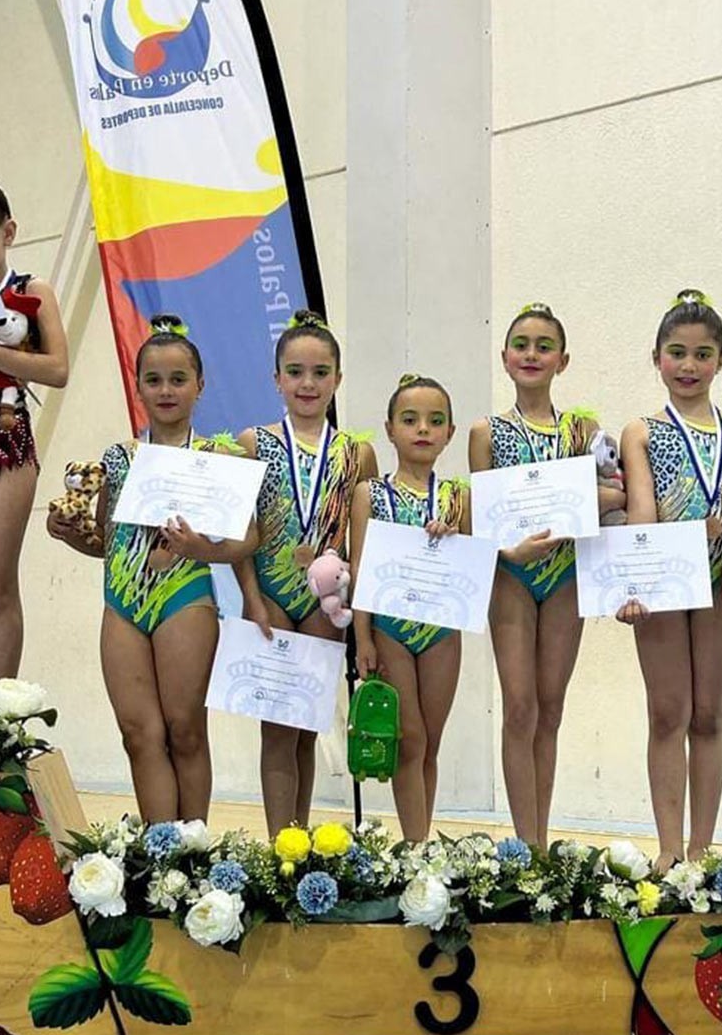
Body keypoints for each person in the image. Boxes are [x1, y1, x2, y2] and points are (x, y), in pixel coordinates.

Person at [47, 316, 260, 824]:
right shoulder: (119, 457)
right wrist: (70, 535)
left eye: (178, 379)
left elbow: (247, 539)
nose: (166, 390)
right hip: (122, 602)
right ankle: (160, 848)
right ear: (138, 386)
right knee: (139, 734)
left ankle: (194, 846)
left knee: (184, 727)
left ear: (199, 386)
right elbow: (108, 542)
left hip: (185, 596)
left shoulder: (218, 456)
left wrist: (200, 550)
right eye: (154, 380)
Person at [615, 290, 722, 869]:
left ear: (721, 361)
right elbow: (639, 514)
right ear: (655, 357)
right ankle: (667, 850)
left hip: (719, 586)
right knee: (667, 713)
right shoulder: (642, 431)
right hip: (658, 585)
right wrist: (631, 584)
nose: (688, 366)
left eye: (702, 354)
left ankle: (702, 849)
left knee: (709, 714)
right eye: (676, 353)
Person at [467, 303, 624, 847]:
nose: (532, 354)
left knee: (550, 707)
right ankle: (524, 843)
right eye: (521, 344)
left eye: (543, 345)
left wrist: (576, 500)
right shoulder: (487, 430)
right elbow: (481, 515)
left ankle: (542, 835)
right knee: (520, 705)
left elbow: (619, 492)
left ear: (563, 359)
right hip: (511, 573)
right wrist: (510, 553)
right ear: (505, 357)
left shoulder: (583, 428)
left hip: (564, 574)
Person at [246, 309, 376, 834]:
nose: (307, 383)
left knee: (306, 725)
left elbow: (365, 538)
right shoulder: (253, 443)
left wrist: (361, 617)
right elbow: (239, 535)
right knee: (278, 728)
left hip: (327, 600)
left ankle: (298, 840)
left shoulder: (355, 453)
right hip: (272, 595)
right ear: (276, 377)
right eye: (295, 371)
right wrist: (252, 599)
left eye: (320, 372)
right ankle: (280, 846)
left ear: (338, 380)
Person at [350, 375, 470, 842]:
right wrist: (362, 637)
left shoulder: (460, 496)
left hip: (441, 628)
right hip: (390, 629)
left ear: (450, 433)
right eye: (410, 419)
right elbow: (359, 565)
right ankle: (416, 848)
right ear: (390, 429)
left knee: (431, 743)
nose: (423, 429)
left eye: (435, 421)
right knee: (409, 738)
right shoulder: (370, 494)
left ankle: (423, 839)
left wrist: (456, 535)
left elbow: (476, 559)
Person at [0, 179, 70, 680]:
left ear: (7, 230)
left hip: (6, 436)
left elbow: (57, 369)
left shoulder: (31, 291)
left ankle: (0, 710)